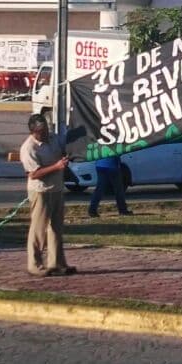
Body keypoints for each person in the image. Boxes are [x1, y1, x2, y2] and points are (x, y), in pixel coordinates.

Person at [20, 114, 77, 277]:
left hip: (57, 189)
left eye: (45, 129)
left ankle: (57, 263)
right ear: (33, 132)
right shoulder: (29, 148)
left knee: (56, 228)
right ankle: (35, 265)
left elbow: (66, 144)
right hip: (41, 191)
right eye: (40, 131)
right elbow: (34, 174)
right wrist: (57, 166)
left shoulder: (53, 138)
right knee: (38, 229)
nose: (44, 133)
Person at [88, 150, 131, 217]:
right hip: (113, 165)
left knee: (100, 189)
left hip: (100, 165)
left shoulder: (99, 141)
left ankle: (92, 210)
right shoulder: (114, 141)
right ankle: (122, 210)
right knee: (118, 189)